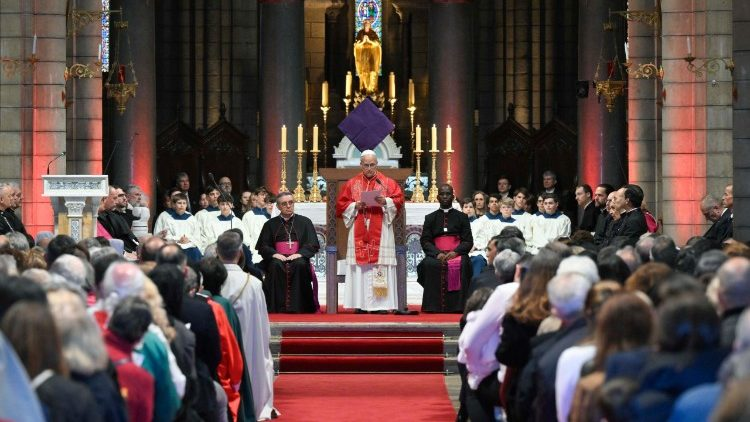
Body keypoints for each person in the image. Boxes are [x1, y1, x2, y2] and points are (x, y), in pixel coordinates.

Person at [216, 231, 276, 420]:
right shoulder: (254, 283)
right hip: (248, 339)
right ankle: (254, 406)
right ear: (240, 253)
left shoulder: (210, 280)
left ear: (217, 252)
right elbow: (262, 322)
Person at [336, 150, 404, 313]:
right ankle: (360, 304)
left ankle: (380, 305)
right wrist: (355, 205)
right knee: (360, 267)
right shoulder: (352, 183)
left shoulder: (387, 182)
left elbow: (399, 200)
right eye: (366, 165)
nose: (369, 168)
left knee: (380, 266)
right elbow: (340, 205)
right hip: (359, 228)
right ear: (361, 165)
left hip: (382, 231)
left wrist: (385, 201)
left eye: (372, 165)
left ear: (377, 164)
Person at [256, 192, 320, 313]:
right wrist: (274, 254)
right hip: (277, 257)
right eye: (284, 204)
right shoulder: (270, 224)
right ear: (278, 206)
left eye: (291, 202)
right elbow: (263, 245)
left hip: (298, 256)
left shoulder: (305, 222)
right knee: (275, 264)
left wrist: (299, 254)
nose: (288, 206)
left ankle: (299, 307)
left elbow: (312, 244)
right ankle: (277, 307)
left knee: (300, 264)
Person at [418, 184, 473, 313]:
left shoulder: (462, 217)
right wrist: (437, 253)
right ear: (437, 197)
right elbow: (425, 240)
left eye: (448, 194)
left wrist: (456, 252)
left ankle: (458, 306)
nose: (445, 196)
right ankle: (432, 306)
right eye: (442, 194)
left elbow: (468, 241)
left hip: (456, 253)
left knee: (464, 264)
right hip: (437, 253)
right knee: (428, 264)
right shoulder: (430, 218)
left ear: (453, 197)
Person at [153, 192, 203, 262]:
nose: (182, 205)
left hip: (190, 247)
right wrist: (179, 239)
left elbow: (197, 235)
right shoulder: (169, 219)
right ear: (174, 205)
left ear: (186, 205)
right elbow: (167, 236)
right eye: (179, 203)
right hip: (175, 247)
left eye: (184, 203)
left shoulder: (192, 219)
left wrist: (188, 240)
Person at [97, 186, 139, 253]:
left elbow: (129, 237)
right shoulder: (103, 216)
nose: (116, 202)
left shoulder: (120, 215)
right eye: (115, 198)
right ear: (104, 199)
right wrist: (124, 253)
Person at [353, 19, 382, 93]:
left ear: (370, 25)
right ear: (363, 24)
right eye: (365, 23)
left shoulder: (373, 33)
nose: (366, 24)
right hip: (363, 53)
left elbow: (377, 44)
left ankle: (372, 88)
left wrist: (369, 41)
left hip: (372, 53)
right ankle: (364, 87)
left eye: (368, 23)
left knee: (372, 70)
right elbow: (356, 44)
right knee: (363, 70)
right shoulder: (360, 33)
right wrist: (363, 41)